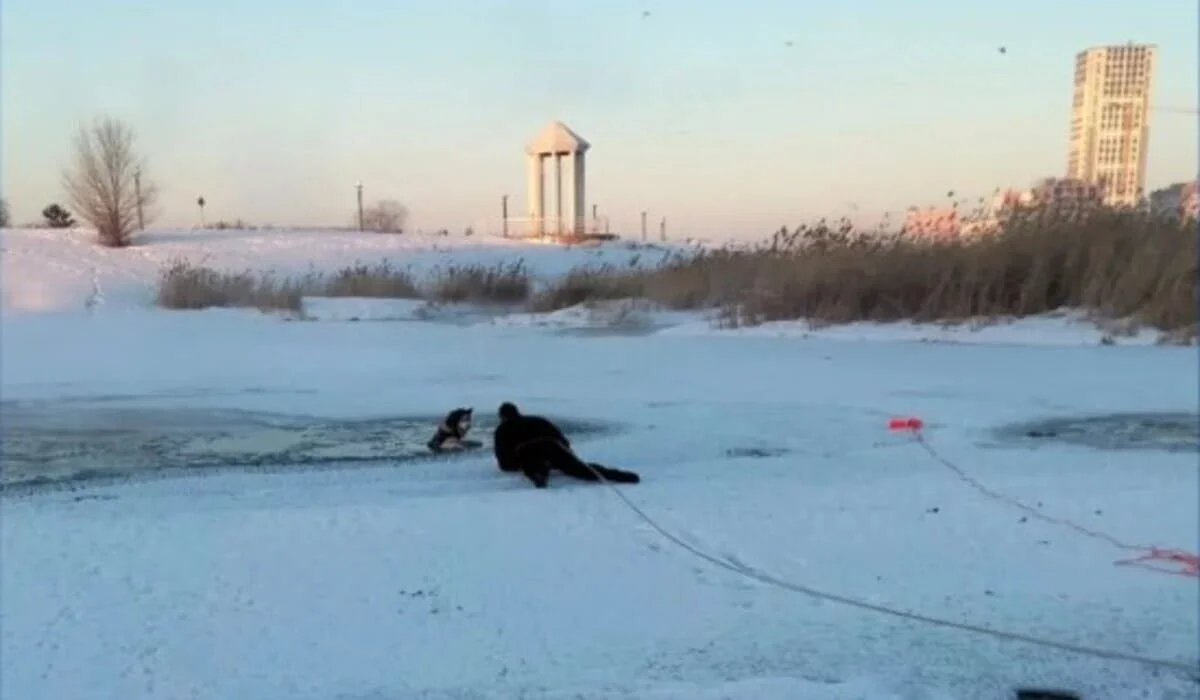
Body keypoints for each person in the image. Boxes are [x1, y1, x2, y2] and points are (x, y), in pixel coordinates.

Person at [492, 401, 641, 488]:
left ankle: (539, 473)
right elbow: (562, 441)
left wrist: (514, 463)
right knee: (581, 469)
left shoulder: (502, 430)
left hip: (529, 454)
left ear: (502, 416)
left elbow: (504, 461)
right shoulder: (538, 420)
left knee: (528, 456)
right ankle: (620, 476)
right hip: (553, 449)